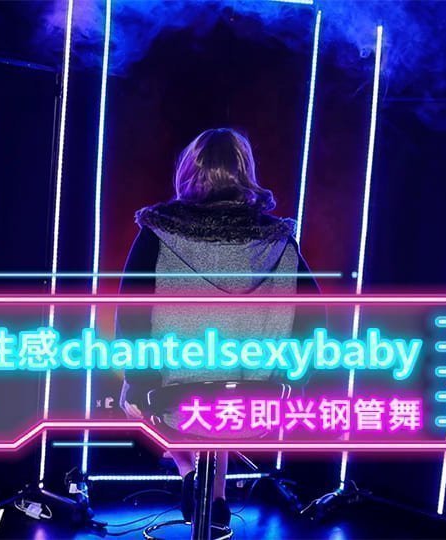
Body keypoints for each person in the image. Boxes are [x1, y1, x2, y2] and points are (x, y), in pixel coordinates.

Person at [116, 128, 325, 527]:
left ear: (188, 171)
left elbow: (131, 316)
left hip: (174, 399)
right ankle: (215, 499)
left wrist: (138, 382)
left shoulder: (157, 233)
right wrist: (292, 382)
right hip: (258, 401)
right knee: (225, 396)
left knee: (145, 398)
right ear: (245, 172)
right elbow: (316, 319)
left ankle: (189, 472)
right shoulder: (280, 241)